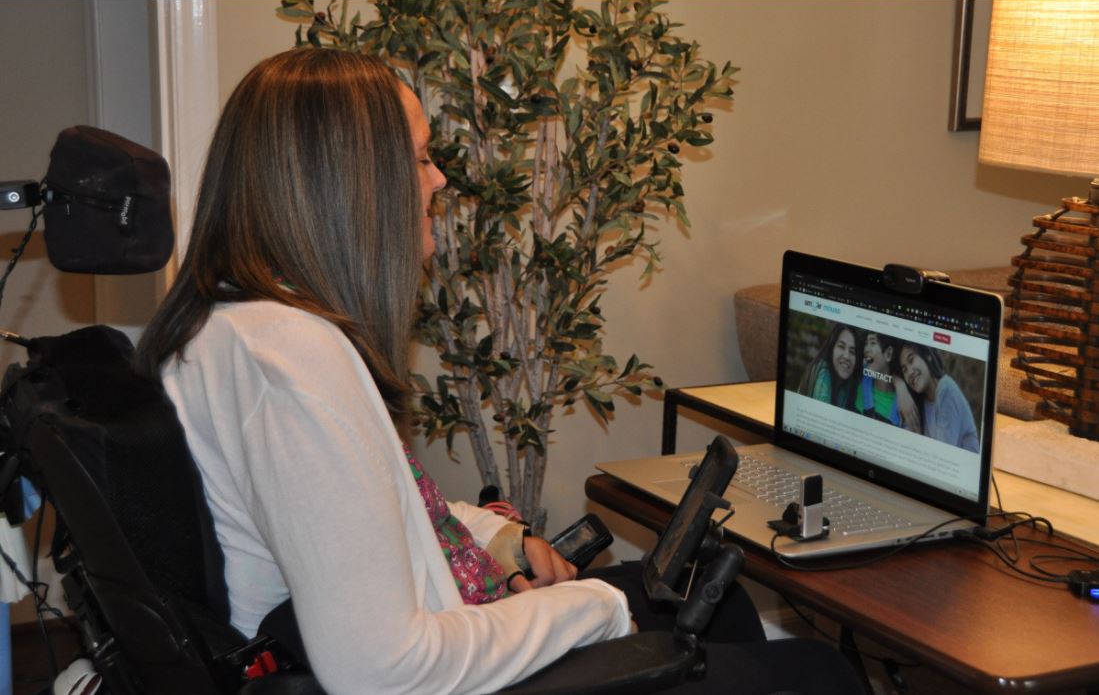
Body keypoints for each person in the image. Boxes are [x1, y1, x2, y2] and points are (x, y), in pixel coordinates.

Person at [137, 48, 862, 695]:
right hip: (410, 669)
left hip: (409, 627)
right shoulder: (291, 364)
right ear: (352, 187)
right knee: (813, 671)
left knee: (721, 603)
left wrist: (496, 537)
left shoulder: (229, 324)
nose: (438, 178)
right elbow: (379, 669)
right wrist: (594, 609)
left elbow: (359, 518)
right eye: (421, 159)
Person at [896, 342, 980, 452]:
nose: (909, 372)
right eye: (904, 370)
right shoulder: (919, 404)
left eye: (911, 360)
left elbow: (941, 453)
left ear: (927, 356)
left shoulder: (946, 389)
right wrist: (899, 384)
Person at [856, 332, 919, 431]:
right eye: (865, 344)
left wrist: (901, 386)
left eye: (873, 343)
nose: (866, 349)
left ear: (888, 354)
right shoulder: (858, 378)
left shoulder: (903, 404)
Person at [797, 323, 859, 409]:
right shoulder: (823, 374)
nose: (846, 356)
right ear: (832, 348)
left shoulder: (846, 385)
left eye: (852, 352)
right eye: (841, 346)